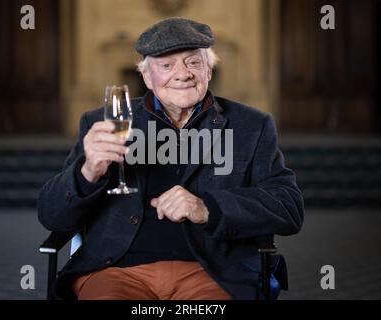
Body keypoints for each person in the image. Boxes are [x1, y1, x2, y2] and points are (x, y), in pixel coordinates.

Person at [38, 17, 304, 300]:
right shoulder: (103, 123)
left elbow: (288, 208)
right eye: (166, 65)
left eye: (193, 62)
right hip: (116, 270)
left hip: (212, 271)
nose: (183, 74)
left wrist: (208, 208)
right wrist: (87, 172)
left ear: (209, 70)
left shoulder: (252, 125)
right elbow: (51, 215)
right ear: (146, 77)